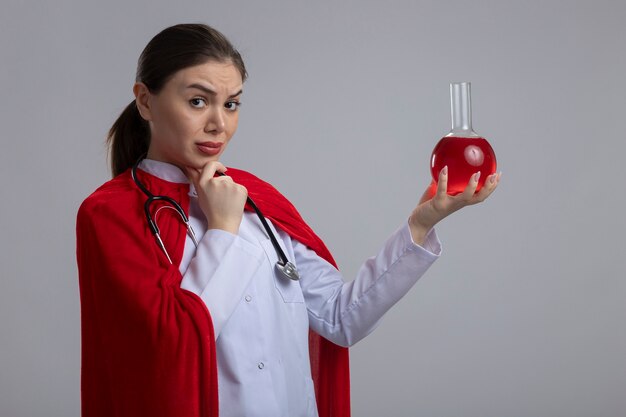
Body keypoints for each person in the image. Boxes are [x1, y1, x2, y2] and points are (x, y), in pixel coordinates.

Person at [76, 23, 500, 417]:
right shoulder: (110, 214)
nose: (218, 124)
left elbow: (340, 318)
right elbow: (171, 346)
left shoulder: (256, 200)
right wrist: (223, 230)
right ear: (145, 100)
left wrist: (420, 225)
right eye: (197, 101)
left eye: (232, 103)